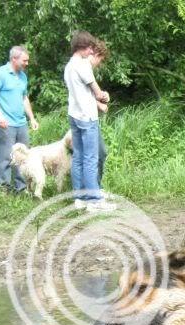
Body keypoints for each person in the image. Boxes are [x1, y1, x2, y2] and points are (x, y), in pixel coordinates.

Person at [63, 31, 115, 211]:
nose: (91, 52)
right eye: (90, 48)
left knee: (78, 157)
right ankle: (94, 200)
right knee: (91, 158)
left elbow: (81, 93)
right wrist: (105, 98)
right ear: (82, 48)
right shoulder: (83, 65)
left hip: (74, 116)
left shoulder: (69, 66)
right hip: (87, 117)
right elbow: (97, 92)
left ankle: (80, 198)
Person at [0, 46, 39, 194]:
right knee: (6, 157)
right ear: (14, 59)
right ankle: (3, 189)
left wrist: (32, 118)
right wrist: (0, 116)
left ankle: (22, 189)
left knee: (23, 157)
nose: (27, 63)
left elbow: (24, 98)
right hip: (5, 124)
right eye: (24, 60)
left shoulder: (23, 76)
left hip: (21, 123)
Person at [89, 39, 109, 188]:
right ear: (95, 54)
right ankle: (93, 193)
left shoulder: (85, 69)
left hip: (91, 118)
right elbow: (80, 96)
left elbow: (89, 94)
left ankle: (96, 189)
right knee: (95, 155)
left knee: (99, 154)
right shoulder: (82, 68)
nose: (99, 64)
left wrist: (101, 100)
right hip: (85, 120)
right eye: (100, 60)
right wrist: (101, 101)